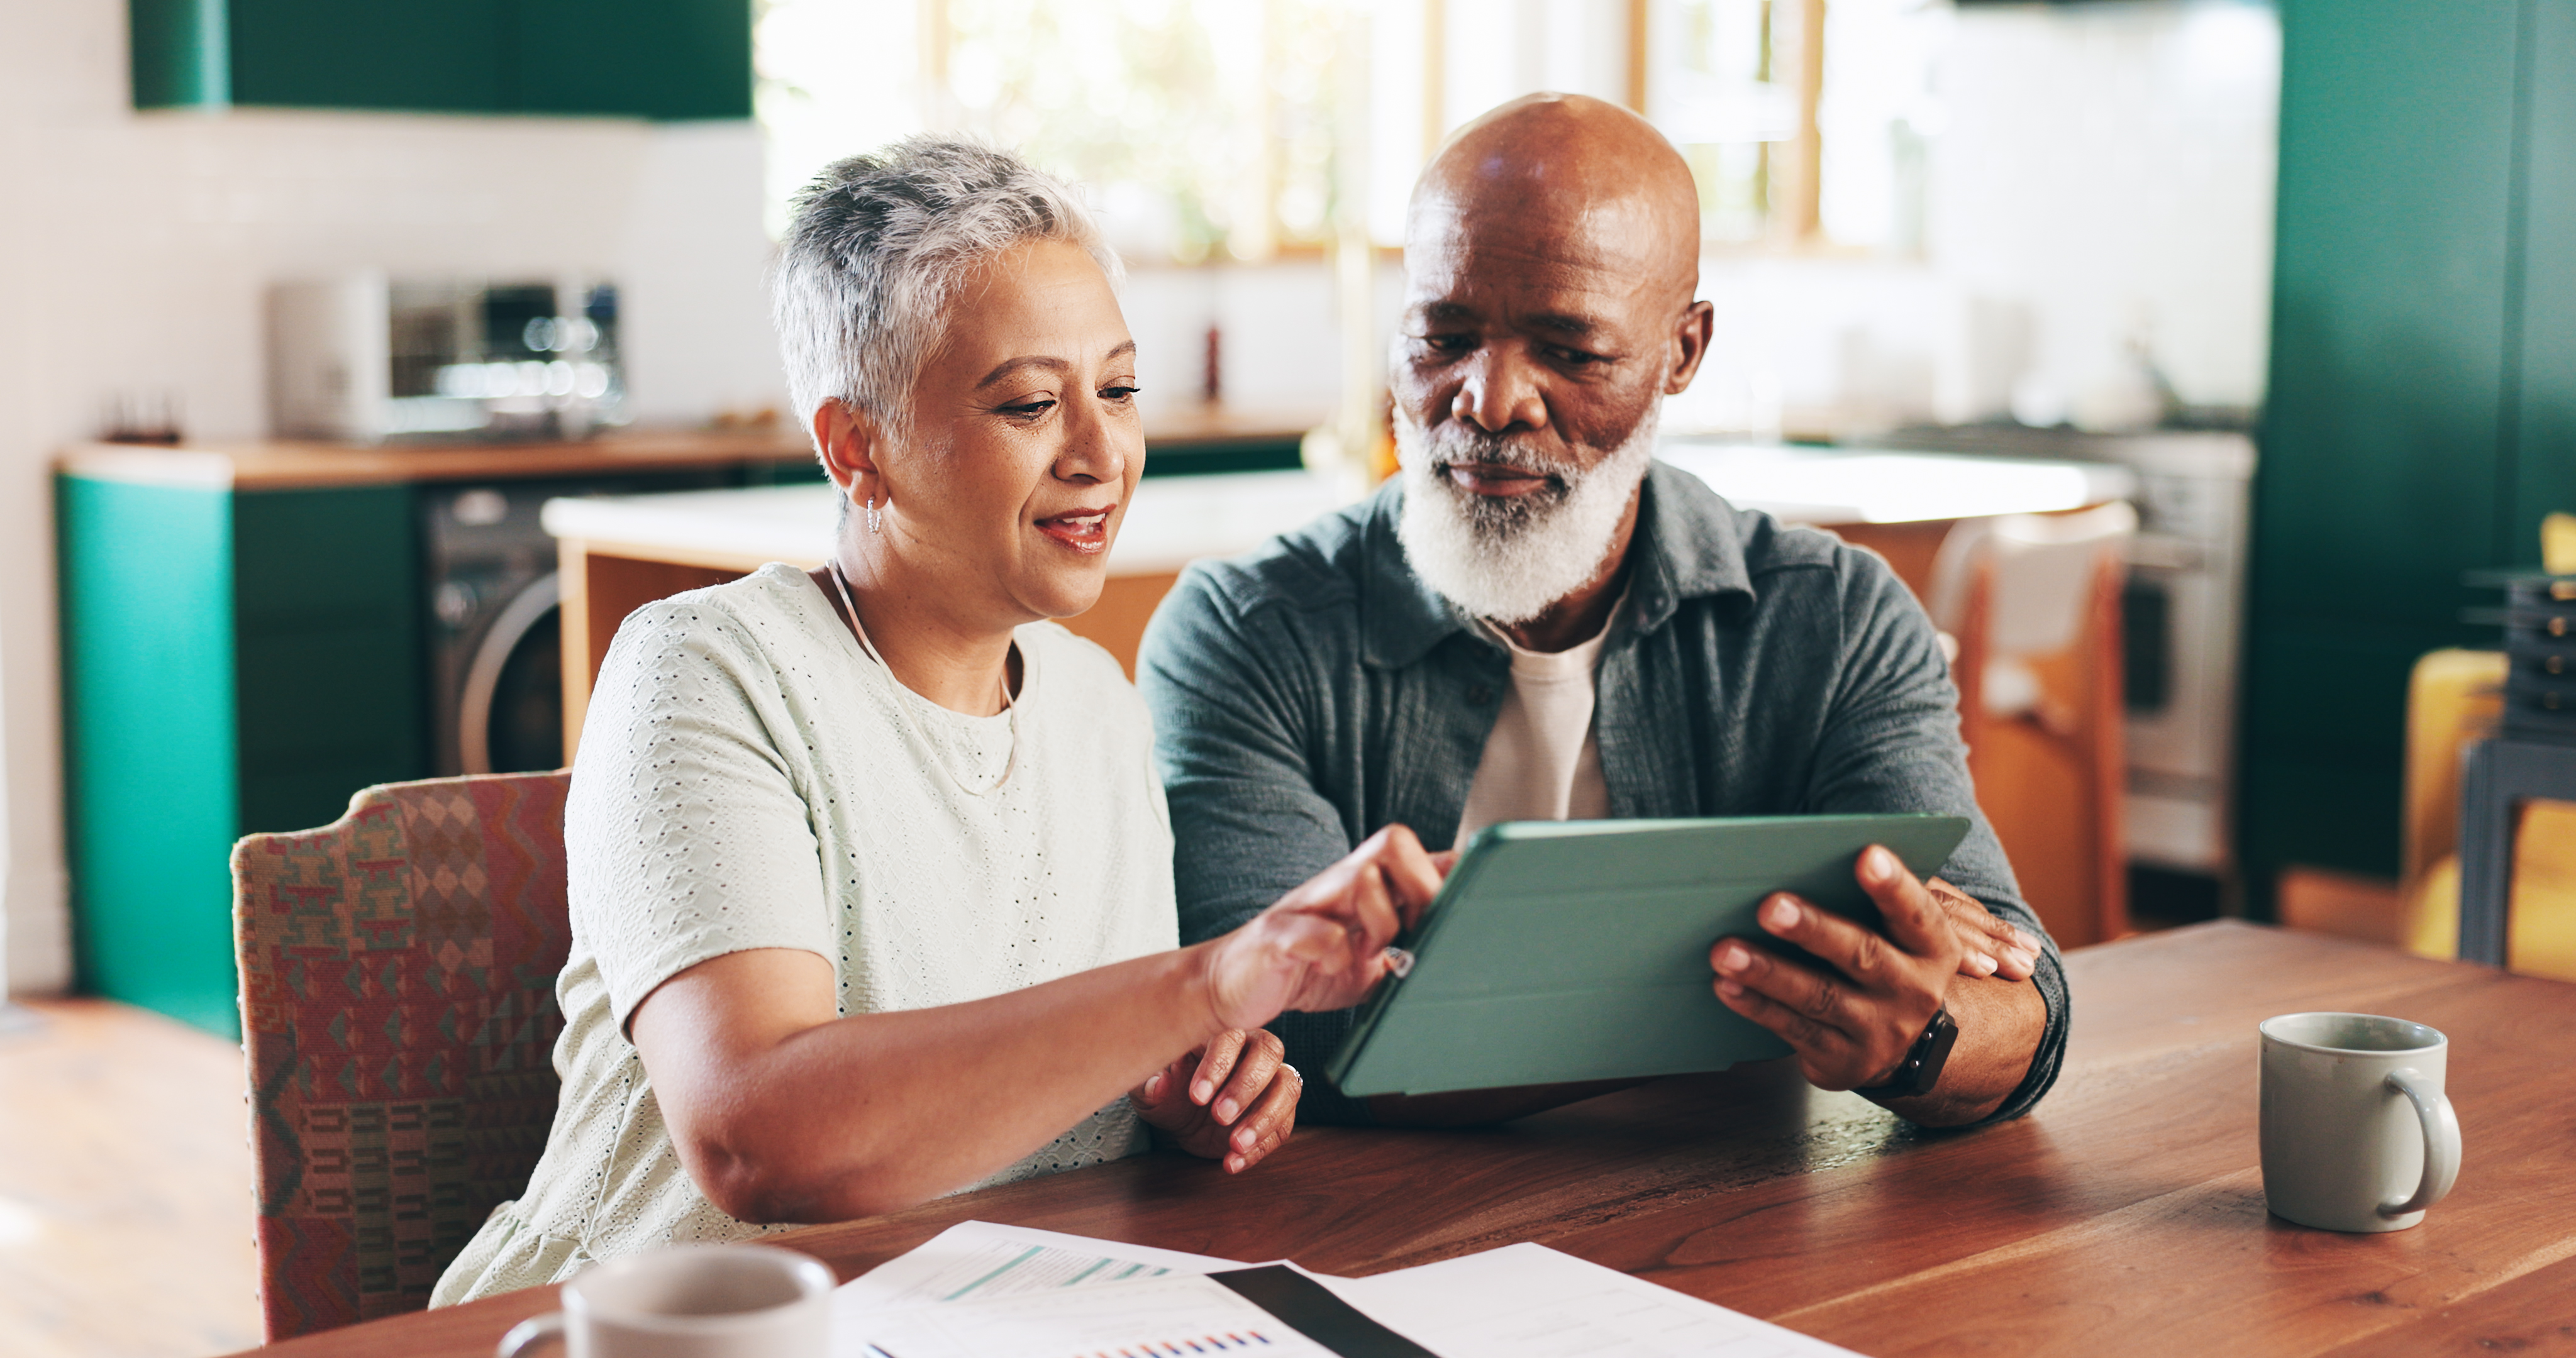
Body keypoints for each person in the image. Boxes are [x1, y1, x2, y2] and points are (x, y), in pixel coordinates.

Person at [433, 138, 1443, 1304]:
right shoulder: (704, 671)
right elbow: (760, 1138)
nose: (1100, 453)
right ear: (856, 450)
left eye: (1117, 388)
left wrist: (1170, 1090)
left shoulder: (1096, 706)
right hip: (654, 1327)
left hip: (988, 1316)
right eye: (1029, 403)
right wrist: (1211, 985)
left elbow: (1080, 1057)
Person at [1138, 94, 2066, 1130]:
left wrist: (1923, 1032)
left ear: (1683, 351)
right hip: (1362, 1241)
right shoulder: (1241, 630)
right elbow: (1274, 1027)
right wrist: (1771, 990)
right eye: (1442, 336)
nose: (1489, 402)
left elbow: (2014, 992)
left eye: (1571, 353)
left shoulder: (1837, 621)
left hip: (1730, 1238)